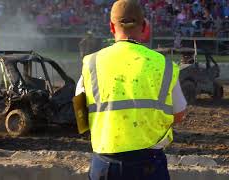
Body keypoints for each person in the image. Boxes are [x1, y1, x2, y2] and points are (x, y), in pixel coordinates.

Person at [75, 0, 187, 179]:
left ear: (112, 26)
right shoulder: (164, 65)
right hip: (149, 164)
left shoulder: (91, 63)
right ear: (144, 26)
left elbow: (81, 115)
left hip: (105, 163)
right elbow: (179, 114)